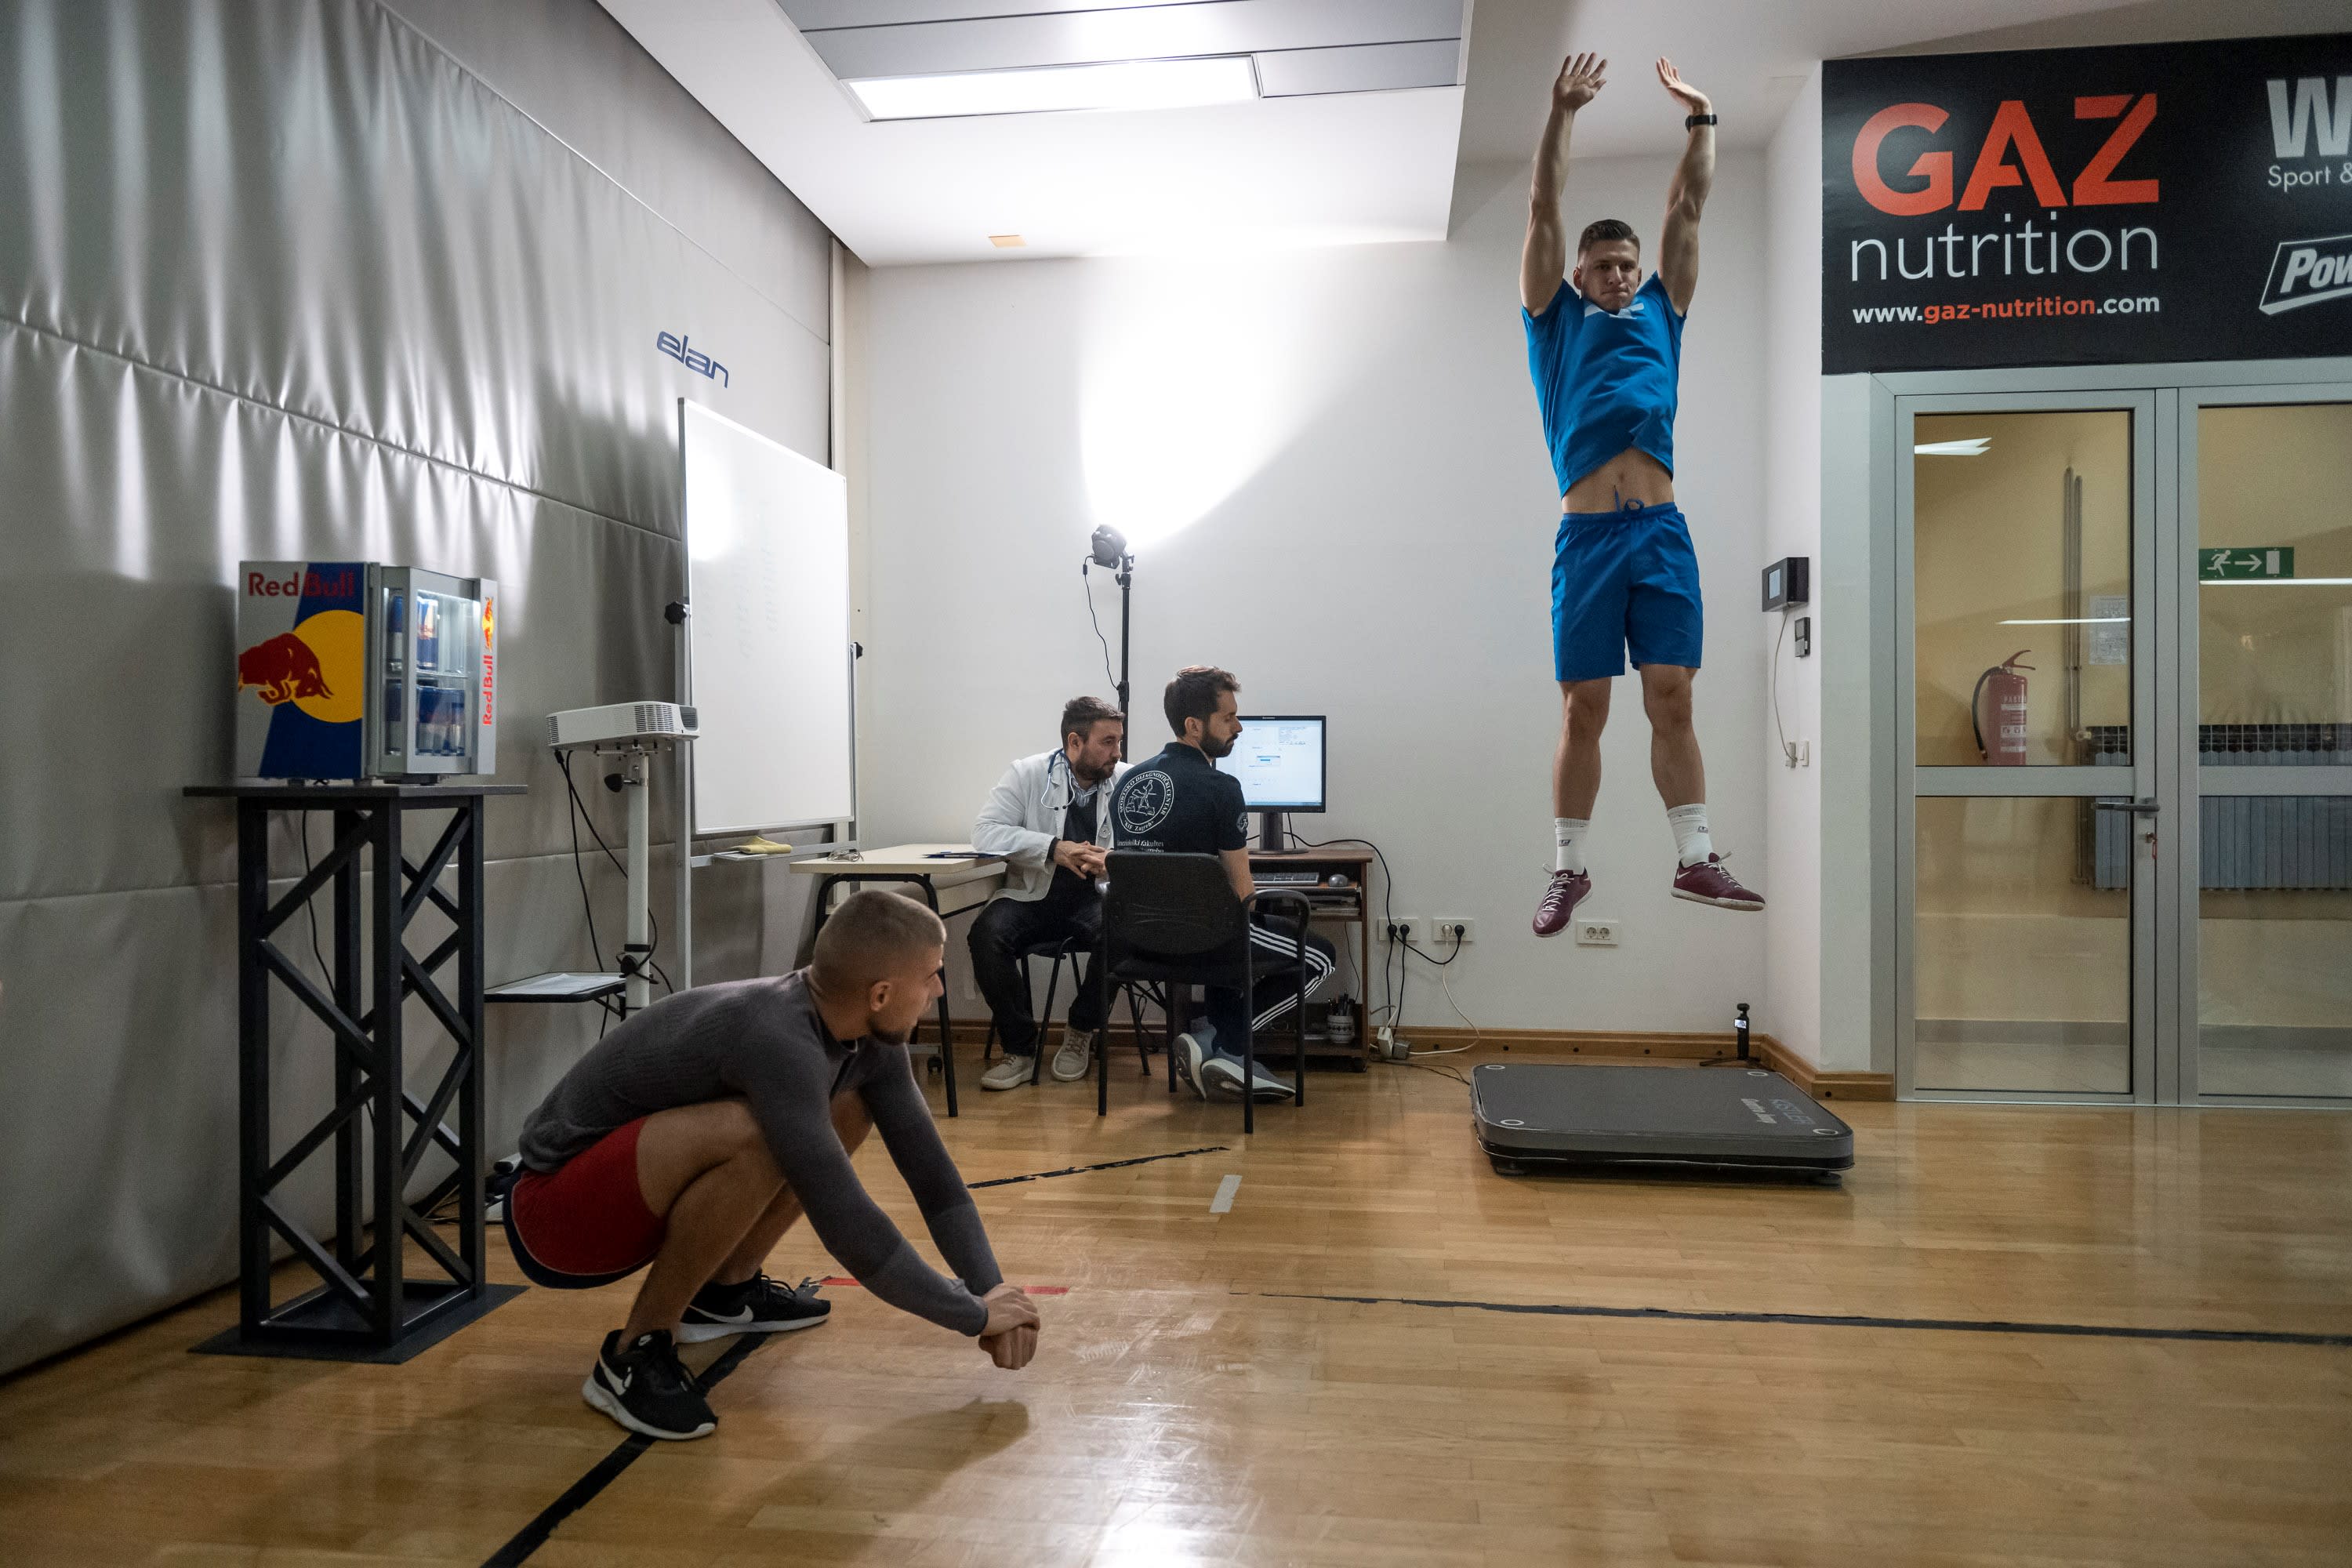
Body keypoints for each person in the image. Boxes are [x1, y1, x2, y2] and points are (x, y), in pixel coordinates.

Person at [503, 891, 1040, 1443]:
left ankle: (724, 1293)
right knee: (757, 1134)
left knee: (848, 1104)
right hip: (553, 1217)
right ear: (880, 994)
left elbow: (936, 1182)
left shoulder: (865, 1035)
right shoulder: (778, 1038)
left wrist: (995, 1293)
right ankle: (633, 1355)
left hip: (628, 1189)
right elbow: (849, 1226)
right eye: (931, 976)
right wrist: (972, 1315)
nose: (939, 990)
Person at [1519, 52, 1764, 938]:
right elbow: (1544, 205)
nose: (1621, 275)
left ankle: (1696, 857)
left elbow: (1686, 206)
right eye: (1605, 266)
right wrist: (1562, 111)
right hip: (1587, 541)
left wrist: (1702, 116)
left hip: (1659, 531)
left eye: (1627, 264)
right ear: (1579, 274)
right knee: (1584, 706)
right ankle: (1568, 869)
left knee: (1673, 696)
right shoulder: (1554, 323)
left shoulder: (1664, 311)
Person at [1107, 666, 1336, 1100]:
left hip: (1142, 942)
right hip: (1208, 940)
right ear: (1194, 726)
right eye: (1228, 718)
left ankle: (1213, 1041)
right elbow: (1245, 896)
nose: (1239, 727)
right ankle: (1224, 1044)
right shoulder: (1222, 788)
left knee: (1226, 936)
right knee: (1320, 956)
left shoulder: (1129, 783)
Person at [969, 695, 1129, 1091]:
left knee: (1123, 930)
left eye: (1119, 741)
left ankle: (1081, 1030)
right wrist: (1053, 848)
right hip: (1033, 896)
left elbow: (1153, 847)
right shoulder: (1026, 774)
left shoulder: (1130, 780)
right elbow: (985, 833)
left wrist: (1113, 859)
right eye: (1107, 742)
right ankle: (1020, 1050)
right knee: (985, 935)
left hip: (1095, 899)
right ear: (1075, 742)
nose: (1117, 752)